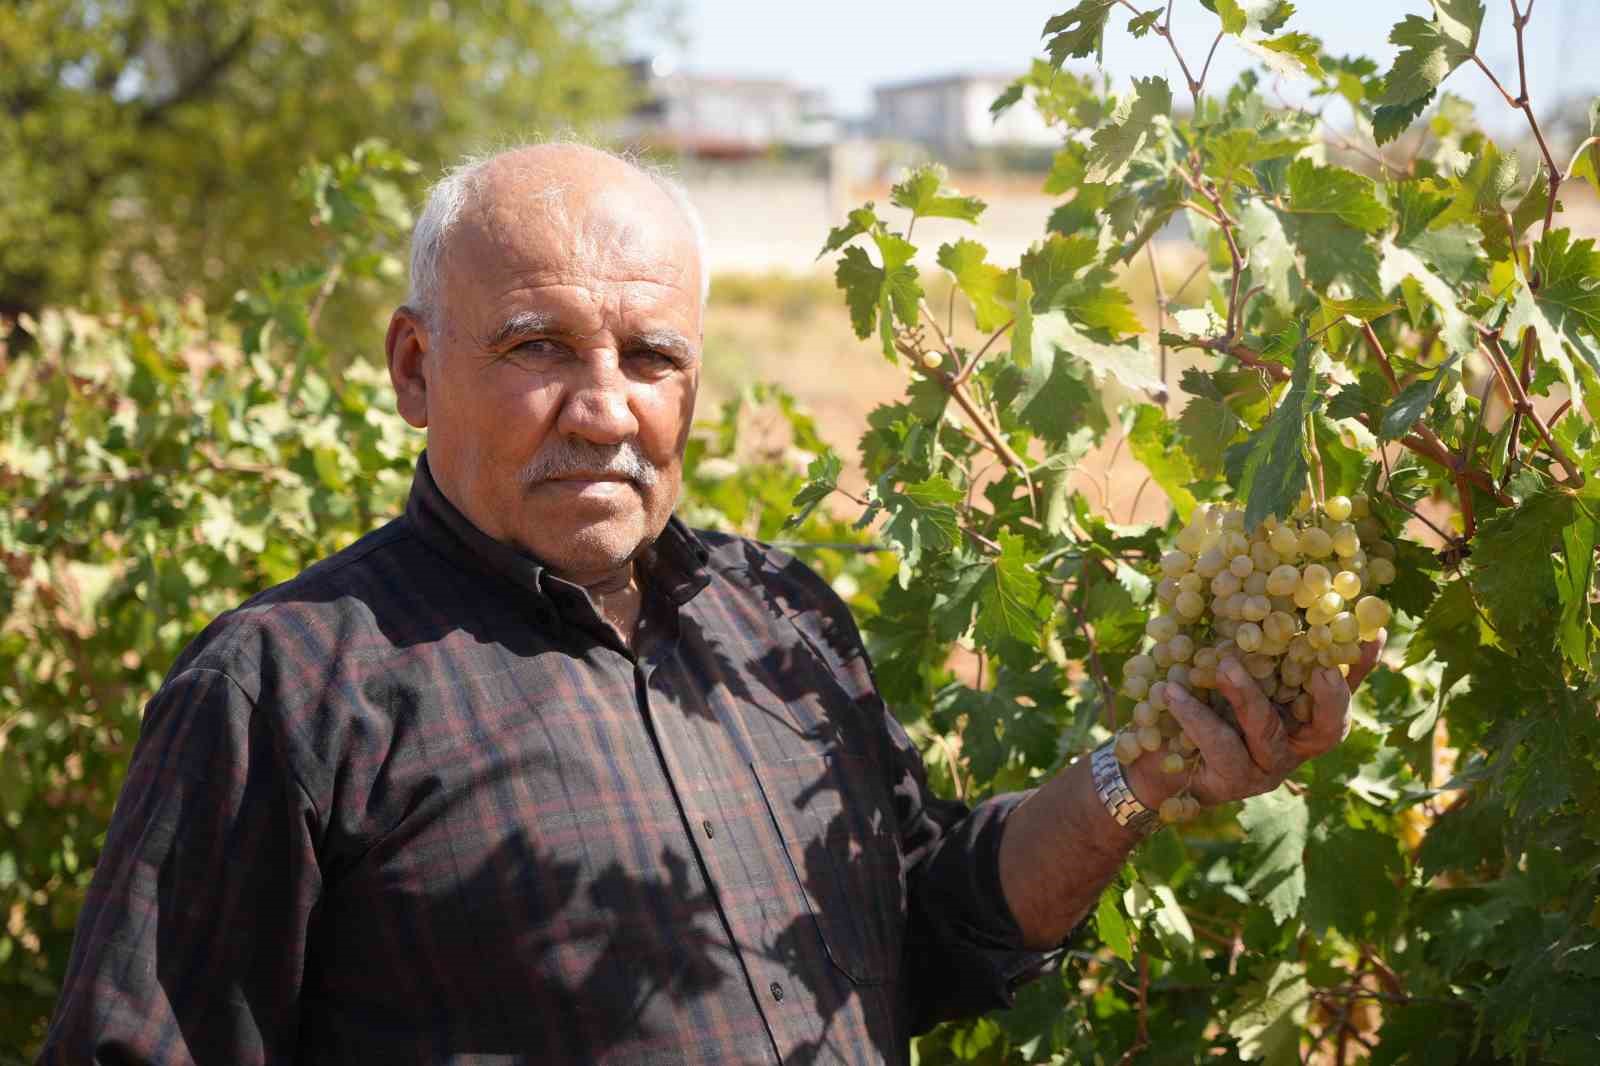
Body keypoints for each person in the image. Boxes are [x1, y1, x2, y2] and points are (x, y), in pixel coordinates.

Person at [37, 142, 1381, 1065]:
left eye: (649, 353)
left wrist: (1130, 779)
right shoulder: (287, 690)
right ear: (411, 365)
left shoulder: (780, 623)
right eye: (537, 346)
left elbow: (924, 929)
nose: (606, 405)